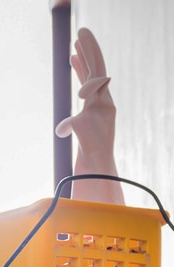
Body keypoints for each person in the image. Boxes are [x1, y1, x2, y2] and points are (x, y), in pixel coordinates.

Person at [55, 27, 125, 205]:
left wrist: (73, 123)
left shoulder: (98, 115)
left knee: (94, 204)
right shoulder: (103, 114)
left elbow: (60, 131)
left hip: (93, 169)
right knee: (103, 200)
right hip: (98, 168)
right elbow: (62, 131)